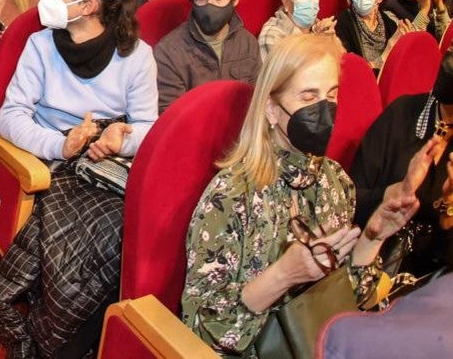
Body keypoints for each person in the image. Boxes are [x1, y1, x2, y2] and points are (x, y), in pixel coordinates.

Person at [181, 33, 430, 355]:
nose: (324, 110)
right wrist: (283, 276)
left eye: (331, 95)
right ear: (271, 109)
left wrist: (372, 237)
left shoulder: (335, 182)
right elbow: (201, 330)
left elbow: (346, 303)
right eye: (308, 97)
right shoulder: (230, 196)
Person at [0, 0, 157, 358]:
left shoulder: (136, 54)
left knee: (129, 223)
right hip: (53, 155)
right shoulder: (41, 44)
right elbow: (10, 116)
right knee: (99, 231)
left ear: (89, 5)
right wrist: (58, 146)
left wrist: (121, 138)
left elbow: (149, 126)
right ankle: (62, 342)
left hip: (109, 160)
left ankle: (80, 334)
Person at [349, 48, 453, 278]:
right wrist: (397, 192)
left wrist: (448, 211)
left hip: (434, 281)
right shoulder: (401, 115)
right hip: (373, 267)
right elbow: (350, 201)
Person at [153, 0, 260, 112]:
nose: (209, 6)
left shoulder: (248, 43)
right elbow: (171, 120)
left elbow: (256, 103)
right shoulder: (168, 52)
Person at [259, 0, 336, 61]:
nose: (311, 1)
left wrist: (332, 41)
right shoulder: (272, 36)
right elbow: (300, 73)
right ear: (286, 2)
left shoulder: (320, 27)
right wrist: (316, 41)